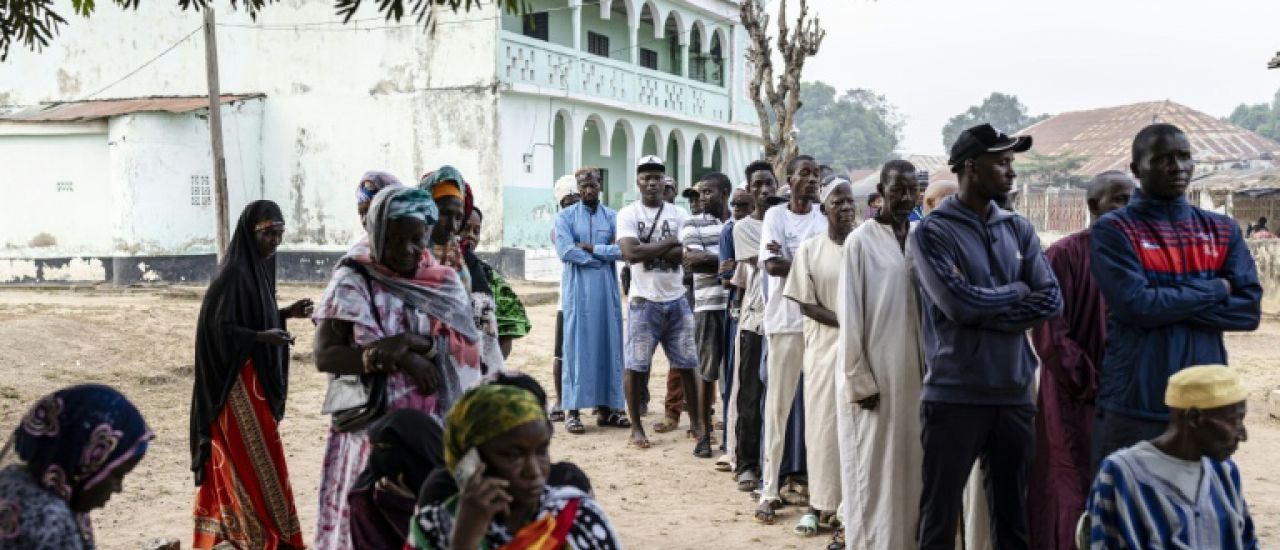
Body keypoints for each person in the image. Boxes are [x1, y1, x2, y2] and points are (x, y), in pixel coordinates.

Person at [913, 123, 1062, 549]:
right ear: (972, 168)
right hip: (954, 394)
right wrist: (1017, 291)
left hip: (1013, 392)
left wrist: (987, 306)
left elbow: (1051, 300)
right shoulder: (934, 232)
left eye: (1012, 162)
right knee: (939, 520)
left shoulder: (1019, 228)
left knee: (1013, 519)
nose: (1011, 171)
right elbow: (958, 305)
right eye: (1002, 162)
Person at [311, 186, 482, 550]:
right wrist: (394, 353)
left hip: (427, 433)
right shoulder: (354, 277)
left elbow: (467, 347)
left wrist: (415, 344)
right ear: (376, 232)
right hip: (369, 431)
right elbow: (325, 355)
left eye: (416, 239)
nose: (407, 249)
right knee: (368, 521)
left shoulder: (442, 281)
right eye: (395, 238)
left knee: (424, 522)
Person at [1089, 123, 1262, 473]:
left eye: (1184, 157)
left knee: (1201, 514)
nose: (1177, 167)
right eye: (1163, 158)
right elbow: (1135, 305)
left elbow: (1248, 311)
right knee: (1126, 514)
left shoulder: (1222, 229)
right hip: (1135, 399)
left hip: (1206, 405)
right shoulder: (1114, 230)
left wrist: (1163, 302)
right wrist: (1215, 289)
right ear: (1137, 170)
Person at [191, 199, 311, 549]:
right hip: (234, 385)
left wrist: (285, 313)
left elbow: (255, 314)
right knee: (252, 461)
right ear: (250, 231)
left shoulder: (259, 270)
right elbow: (219, 328)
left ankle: (258, 533)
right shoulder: (232, 275)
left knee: (262, 460)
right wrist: (261, 337)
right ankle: (255, 535)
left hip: (251, 380)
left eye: (279, 234)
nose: (274, 241)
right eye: (267, 233)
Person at [1026, 171, 1134, 550]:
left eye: (1133, 200)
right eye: (1119, 200)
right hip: (1075, 403)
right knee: (1073, 493)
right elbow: (1051, 335)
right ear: (1094, 207)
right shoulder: (1063, 256)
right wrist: (1095, 383)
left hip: (1127, 405)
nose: (1130, 209)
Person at [407, 384, 623, 549]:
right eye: (512, 455)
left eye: (541, 451)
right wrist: (463, 542)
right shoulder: (434, 527)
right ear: (469, 460)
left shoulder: (577, 519)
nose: (534, 471)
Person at [835, 160, 925, 549]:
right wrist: (859, 379)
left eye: (911, 190)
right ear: (880, 194)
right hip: (876, 379)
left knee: (913, 470)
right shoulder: (861, 241)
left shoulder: (923, 237)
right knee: (874, 470)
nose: (905, 198)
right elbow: (850, 314)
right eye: (897, 190)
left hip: (919, 376)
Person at [1086, 365, 1256, 549]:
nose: (1243, 435)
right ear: (1193, 418)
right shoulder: (1122, 475)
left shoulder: (1224, 472)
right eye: (1235, 421)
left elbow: (1248, 542)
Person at [755, 154, 828, 524]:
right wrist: (812, 263)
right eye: (805, 173)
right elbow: (771, 266)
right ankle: (769, 490)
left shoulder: (825, 220)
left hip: (818, 326)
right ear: (790, 179)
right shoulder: (775, 217)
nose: (812, 179)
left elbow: (798, 264)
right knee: (778, 409)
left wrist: (794, 259)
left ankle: (820, 494)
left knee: (818, 410)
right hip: (783, 323)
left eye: (816, 174)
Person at [782, 177, 857, 536]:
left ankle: (849, 510)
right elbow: (805, 302)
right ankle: (819, 504)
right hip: (824, 351)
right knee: (822, 428)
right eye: (837, 202)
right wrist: (845, 320)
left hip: (860, 351)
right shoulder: (810, 249)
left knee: (856, 430)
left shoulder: (863, 245)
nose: (845, 208)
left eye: (849, 202)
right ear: (824, 208)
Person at [617, 155, 705, 454]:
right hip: (644, 302)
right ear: (637, 181)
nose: (651, 182)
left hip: (677, 299)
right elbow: (630, 253)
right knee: (635, 366)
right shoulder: (627, 214)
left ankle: (697, 424)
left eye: (656, 177)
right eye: (645, 178)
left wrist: (649, 249)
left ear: (664, 180)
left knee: (688, 364)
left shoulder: (679, 214)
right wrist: (668, 244)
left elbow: (686, 253)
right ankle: (636, 427)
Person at [0, 385, 153, 550]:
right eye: (117, 474)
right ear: (86, 460)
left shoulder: (12, 479)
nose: (118, 488)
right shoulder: (52, 522)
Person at [555, 167, 629, 435]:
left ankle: (609, 410)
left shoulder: (612, 217)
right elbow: (566, 251)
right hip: (577, 293)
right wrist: (599, 259)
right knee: (575, 346)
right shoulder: (564, 217)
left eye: (593, 185)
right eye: (583, 186)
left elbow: (623, 250)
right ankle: (572, 411)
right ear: (577, 187)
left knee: (609, 346)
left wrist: (592, 248)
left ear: (600, 185)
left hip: (606, 294)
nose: (588, 190)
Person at [422, 166, 506, 374]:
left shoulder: (466, 265)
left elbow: (484, 327)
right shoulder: (406, 255)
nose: (452, 225)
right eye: (444, 213)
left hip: (460, 364)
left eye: (458, 217)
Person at [732, 160, 778, 493]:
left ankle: (780, 466)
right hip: (755, 319)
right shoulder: (742, 227)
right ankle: (747, 463)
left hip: (788, 320)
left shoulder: (787, 217)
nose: (765, 190)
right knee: (750, 395)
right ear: (749, 189)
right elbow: (769, 263)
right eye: (758, 184)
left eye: (769, 183)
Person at [680, 172, 733, 457]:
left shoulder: (739, 222)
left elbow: (754, 259)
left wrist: (718, 261)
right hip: (708, 306)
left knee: (735, 373)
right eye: (700, 193)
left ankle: (731, 435)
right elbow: (694, 262)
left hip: (737, 306)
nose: (702, 198)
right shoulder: (692, 223)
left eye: (708, 192)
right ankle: (703, 433)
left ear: (724, 192)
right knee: (707, 371)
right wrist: (732, 262)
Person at [348, 409, 444, 549]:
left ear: (421, 451)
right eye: (374, 448)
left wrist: (412, 509)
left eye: (387, 447)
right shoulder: (363, 496)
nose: (377, 457)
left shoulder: (455, 490)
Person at [715, 188, 754, 472]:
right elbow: (727, 278)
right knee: (734, 375)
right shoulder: (730, 231)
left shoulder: (760, 227)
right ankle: (730, 444)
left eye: (744, 206)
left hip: (760, 311)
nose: (738, 211)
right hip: (738, 311)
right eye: (735, 206)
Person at [549, 175, 581, 422]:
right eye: (566, 202)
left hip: (593, 298)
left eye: (575, 199)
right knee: (561, 353)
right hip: (567, 299)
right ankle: (561, 401)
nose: (571, 206)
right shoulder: (559, 227)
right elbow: (569, 251)